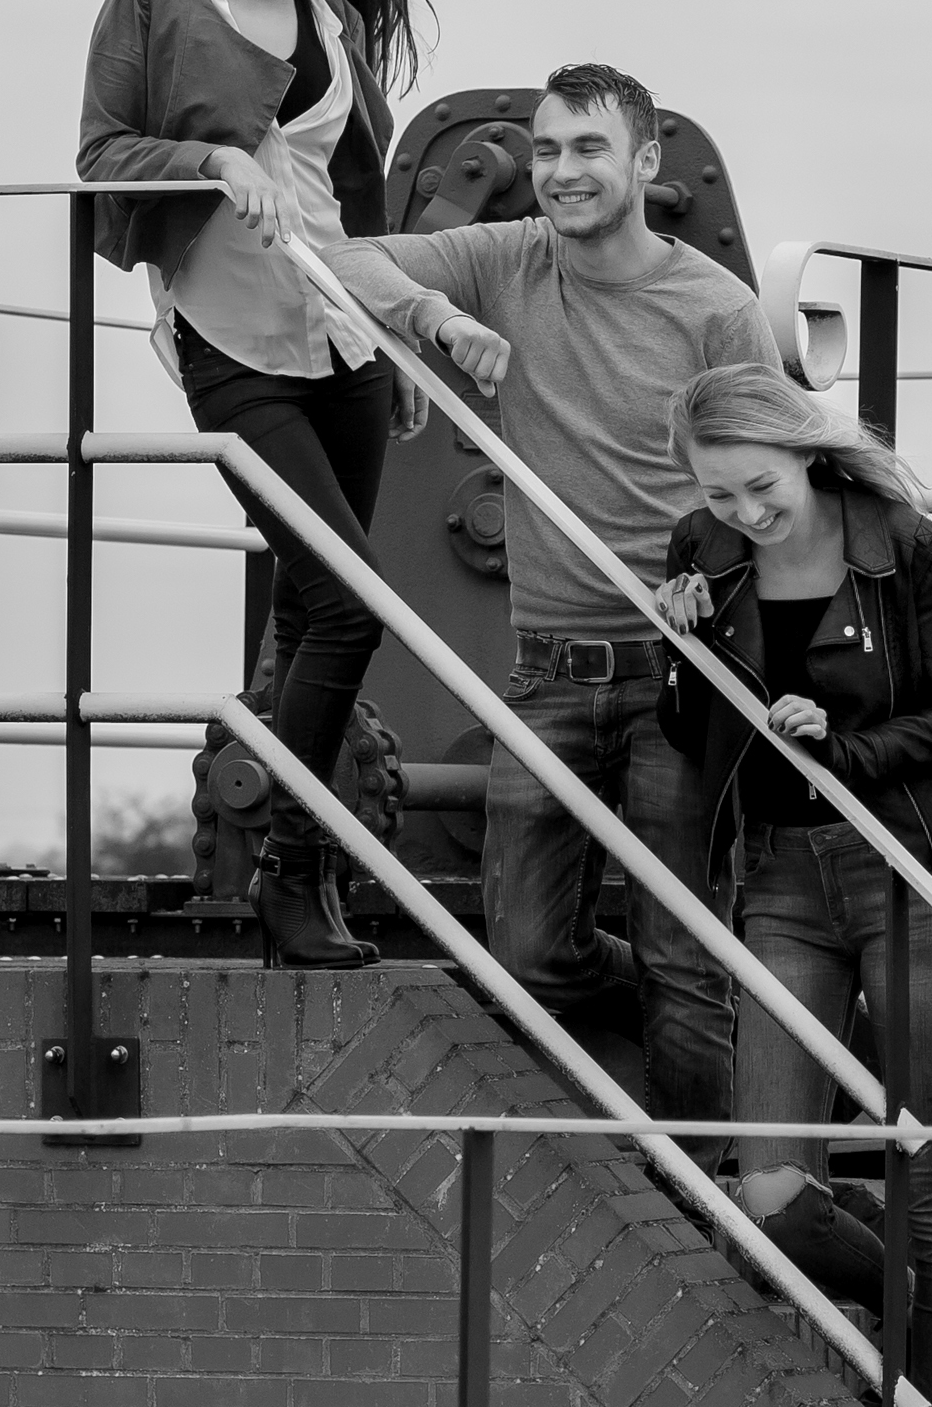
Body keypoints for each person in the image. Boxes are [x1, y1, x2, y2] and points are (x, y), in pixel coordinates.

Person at [323, 65, 776, 1125]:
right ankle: (696, 1009)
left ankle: (699, 1189)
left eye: (590, 149)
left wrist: (725, 593)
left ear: (646, 161)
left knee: (684, 952)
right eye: (548, 150)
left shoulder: (719, 311)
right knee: (527, 954)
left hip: (681, 676)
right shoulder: (508, 257)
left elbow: (771, 482)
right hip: (548, 675)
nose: (563, 171)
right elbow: (339, 260)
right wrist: (437, 320)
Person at [78, 0, 433, 969]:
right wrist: (218, 159)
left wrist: (398, 335)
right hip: (231, 344)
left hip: (342, 340)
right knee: (349, 601)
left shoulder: (335, 21)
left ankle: (297, 885)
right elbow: (100, 156)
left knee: (306, 610)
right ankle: (293, 869)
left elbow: (351, 197)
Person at [651, 365, 932, 1407]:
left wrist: (842, 747)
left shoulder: (903, 544)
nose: (745, 514)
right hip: (781, 879)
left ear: (804, 450)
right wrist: (681, 649)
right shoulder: (700, 549)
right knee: (769, 1195)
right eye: (719, 494)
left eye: (762, 487)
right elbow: (688, 731)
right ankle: (913, 1300)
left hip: (906, 874)